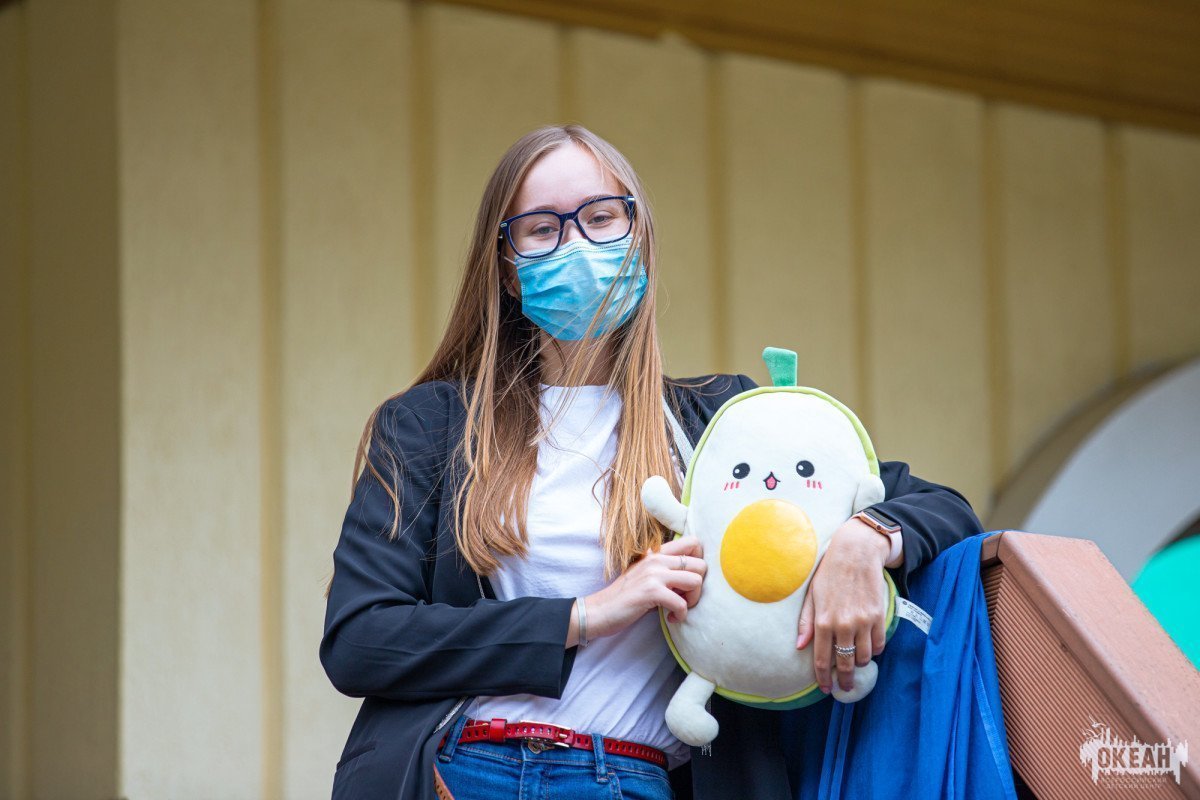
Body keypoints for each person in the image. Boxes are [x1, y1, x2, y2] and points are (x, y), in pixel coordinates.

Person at [319, 124, 982, 800]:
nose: (576, 244)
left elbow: (942, 507)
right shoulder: (431, 425)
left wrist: (864, 541)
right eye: (542, 229)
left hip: (635, 778)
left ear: (639, 238)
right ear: (507, 268)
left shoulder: (721, 423)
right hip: (467, 770)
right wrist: (587, 615)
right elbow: (360, 639)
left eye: (601, 218)